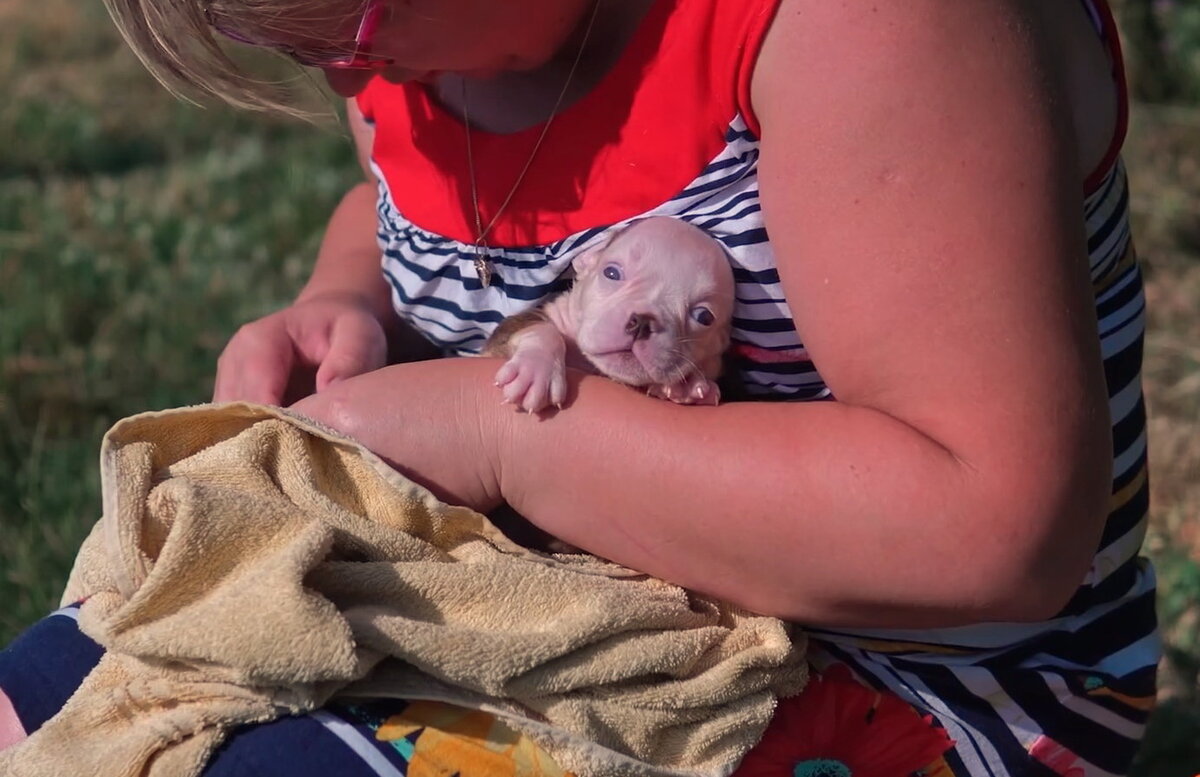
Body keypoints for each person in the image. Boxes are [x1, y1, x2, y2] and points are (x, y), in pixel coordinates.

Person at [0, 0, 1160, 774]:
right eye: (303, 51)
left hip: (909, 690)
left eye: (349, 19)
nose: (351, 73)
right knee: (44, 706)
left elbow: (991, 523)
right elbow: (414, 220)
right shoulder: (429, 51)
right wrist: (352, 300)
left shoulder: (861, 27)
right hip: (527, 601)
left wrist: (500, 438)